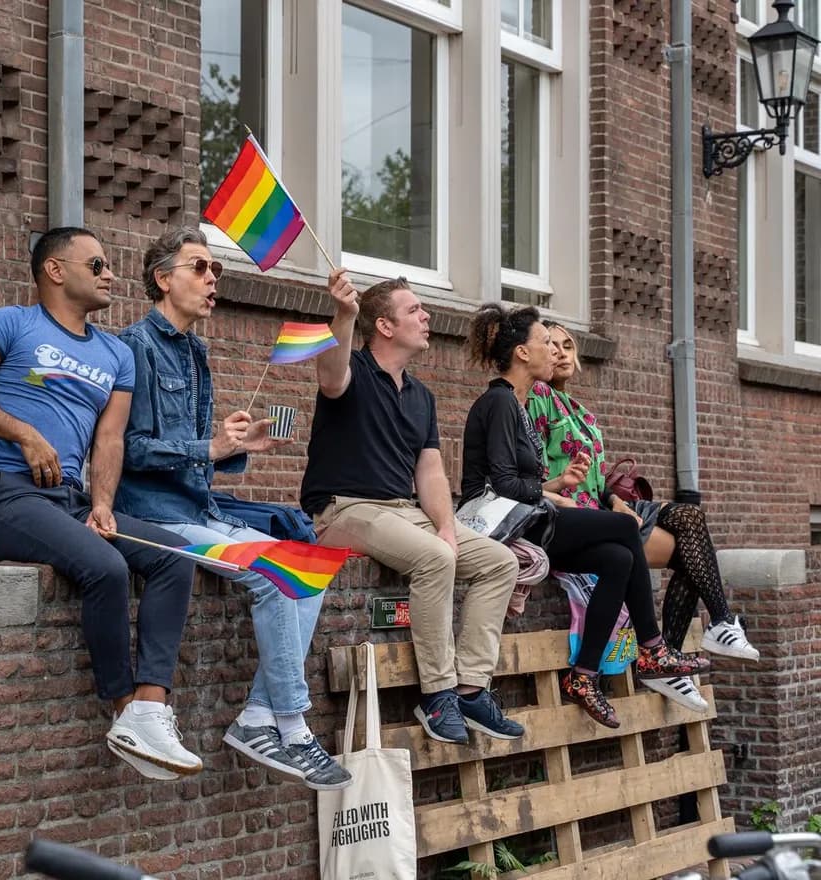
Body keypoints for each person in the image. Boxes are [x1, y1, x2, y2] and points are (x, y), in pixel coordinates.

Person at [0, 227, 202, 780]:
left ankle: (152, 708)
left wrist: (103, 502)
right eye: (98, 264)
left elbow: (110, 439)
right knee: (103, 567)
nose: (111, 274)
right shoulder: (13, 323)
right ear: (56, 270)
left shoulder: (115, 353)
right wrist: (25, 435)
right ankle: (123, 710)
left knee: (175, 557)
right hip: (4, 493)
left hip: (70, 501)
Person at [115, 226, 350, 791]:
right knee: (273, 576)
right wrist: (210, 448)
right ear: (162, 279)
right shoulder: (133, 347)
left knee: (311, 569)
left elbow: (192, 455)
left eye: (215, 269)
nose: (212, 278)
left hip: (197, 508)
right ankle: (292, 724)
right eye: (199, 267)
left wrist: (233, 447)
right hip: (154, 516)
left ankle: (257, 718)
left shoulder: (196, 351)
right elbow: (129, 449)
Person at [300, 272, 523, 746]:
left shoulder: (421, 395)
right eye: (415, 310)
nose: (427, 317)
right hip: (345, 510)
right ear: (383, 325)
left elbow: (431, 473)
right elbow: (329, 374)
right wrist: (343, 314)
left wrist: (446, 525)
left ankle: (469, 688)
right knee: (435, 558)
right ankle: (437, 693)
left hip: (405, 511)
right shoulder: (353, 370)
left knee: (500, 562)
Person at [462, 303, 710, 728]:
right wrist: (548, 493)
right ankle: (652, 647)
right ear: (522, 353)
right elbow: (502, 485)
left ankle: (583, 676)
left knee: (618, 558)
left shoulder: (517, 405)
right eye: (544, 342)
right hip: (511, 526)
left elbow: (518, 478)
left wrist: (558, 485)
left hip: (532, 517)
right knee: (622, 525)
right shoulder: (499, 402)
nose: (553, 352)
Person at [527, 320, 759, 710]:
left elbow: (598, 481)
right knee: (687, 541)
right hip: (572, 515)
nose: (561, 352)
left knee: (690, 525)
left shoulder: (582, 412)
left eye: (568, 345)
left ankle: (679, 646)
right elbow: (532, 475)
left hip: (603, 506)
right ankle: (686, 644)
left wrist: (618, 503)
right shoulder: (536, 398)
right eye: (552, 344)